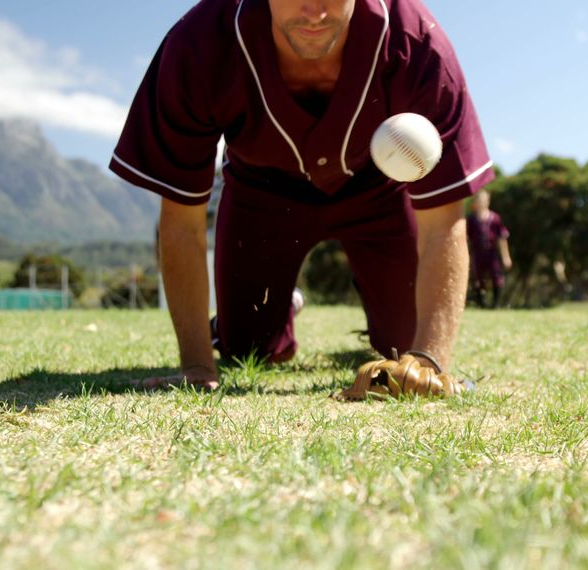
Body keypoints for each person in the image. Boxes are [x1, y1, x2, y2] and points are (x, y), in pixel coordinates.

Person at [110, 0, 493, 389]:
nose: (313, 10)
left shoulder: (418, 44)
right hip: (260, 192)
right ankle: (279, 306)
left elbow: (444, 221)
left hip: (378, 192)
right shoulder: (198, 43)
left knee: (404, 344)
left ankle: (377, 289)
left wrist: (430, 358)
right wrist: (196, 366)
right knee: (246, 348)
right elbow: (182, 221)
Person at [465, 191, 511, 308]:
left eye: (483, 200)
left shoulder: (495, 218)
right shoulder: (471, 219)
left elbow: (502, 238)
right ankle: (482, 304)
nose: (481, 203)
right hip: (477, 253)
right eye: (478, 201)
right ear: (474, 203)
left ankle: (496, 305)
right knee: (478, 279)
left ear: (488, 202)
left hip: (491, 253)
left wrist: (506, 257)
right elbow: (466, 239)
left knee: (496, 277)